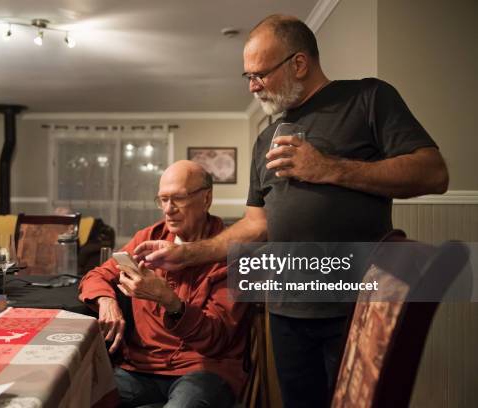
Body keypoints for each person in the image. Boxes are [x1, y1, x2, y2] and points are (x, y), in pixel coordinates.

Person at [133, 14, 449, 408]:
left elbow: (434, 173)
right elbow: (255, 226)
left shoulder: (368, 98)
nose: (252, 87)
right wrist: (185, 254)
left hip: (351, 305)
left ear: (298, 63)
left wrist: (330, 168)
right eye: (247, 76)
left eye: (260, 74)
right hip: (284, 310)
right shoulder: (265, 136)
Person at [79, 160, 249, 408]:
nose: (168, 210)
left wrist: (170, 301)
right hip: (139, 368)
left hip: (203, 370)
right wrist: (106, 301)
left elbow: (216, 339)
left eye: (178, 198)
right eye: (163, 199)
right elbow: (96, 276)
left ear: (206, 199)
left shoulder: (232, 253)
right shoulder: (148, 237)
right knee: (79, 395)